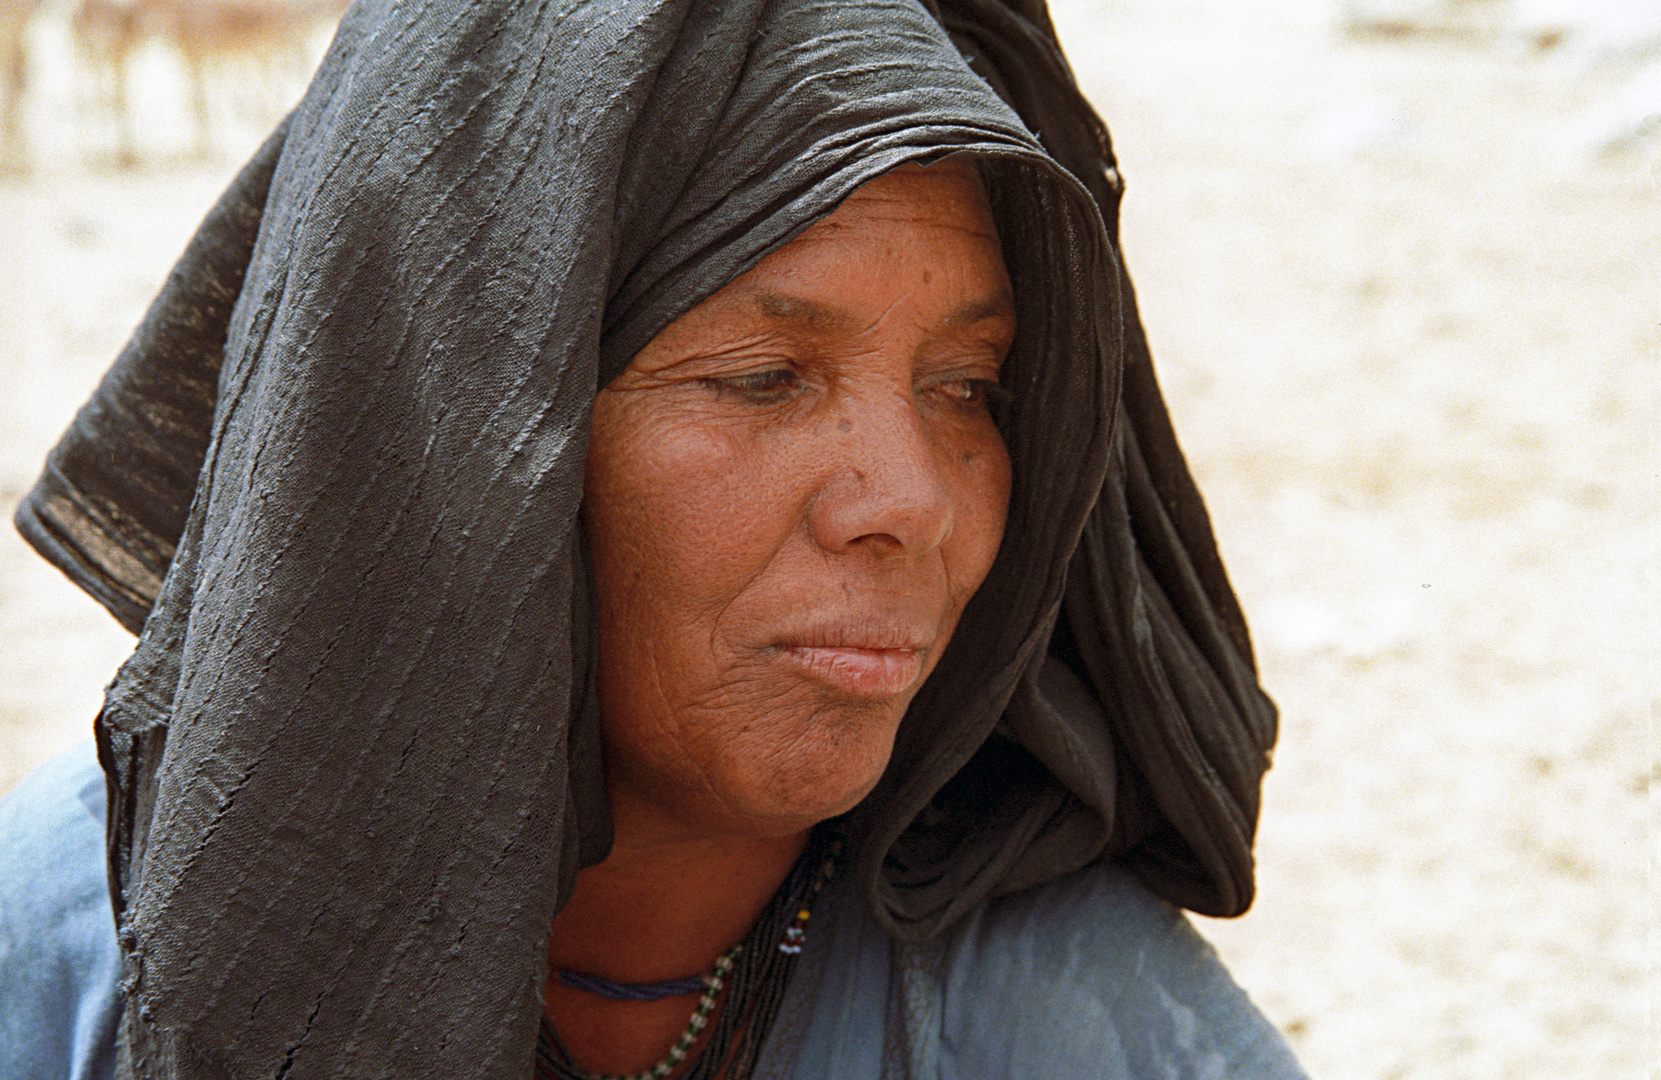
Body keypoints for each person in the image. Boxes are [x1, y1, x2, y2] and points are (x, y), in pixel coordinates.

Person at [0, 0, 1304, 1077]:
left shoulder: (1060, 1014)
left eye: (967, 387)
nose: (910, 498)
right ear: (467, 445)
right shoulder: (70, 955)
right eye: (760, 378)